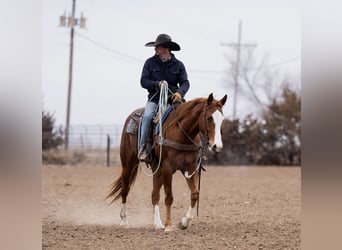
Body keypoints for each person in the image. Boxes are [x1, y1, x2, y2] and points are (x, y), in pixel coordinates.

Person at [138, 33, 190, 161]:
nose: (155, 49)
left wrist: (179, 93)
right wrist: (157, 84)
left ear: (166, 48)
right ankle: (143, 146)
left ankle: (194, 149)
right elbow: (143, 81)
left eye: (158, 47)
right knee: (148, 116)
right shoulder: (149, 63)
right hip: (155, 99)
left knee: (190, 116)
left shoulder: (179, 65)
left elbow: (185, 82)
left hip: (174, 100)